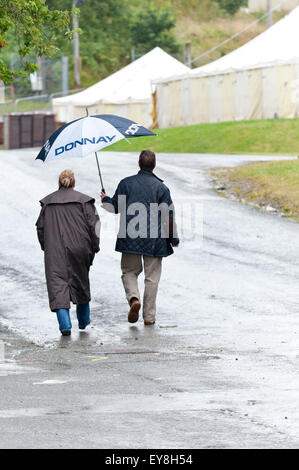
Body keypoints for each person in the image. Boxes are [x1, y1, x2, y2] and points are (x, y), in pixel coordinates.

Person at [101, 149, 179, 326]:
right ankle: (149, 317)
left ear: (139, 164)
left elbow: (115, 208)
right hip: (155, 239)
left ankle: (134, 298)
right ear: (154, 165)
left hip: (130, 237)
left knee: (129, 271)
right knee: (152, 278)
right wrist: (173, 238)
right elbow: (168, 215)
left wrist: (106, 199)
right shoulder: (162, 188)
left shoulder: (126, 183)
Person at [36, 170, 100, 336]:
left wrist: (46, 247)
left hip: (54, 249)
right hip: (80, 249)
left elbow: (40, 229)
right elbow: (95, 227)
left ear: (59, 183)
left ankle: (65, 325)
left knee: (57, 284)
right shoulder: (84, 201)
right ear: (74, 183)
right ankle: (84, 322)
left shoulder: (48, 203)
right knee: (81, 281)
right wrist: (94, 247)